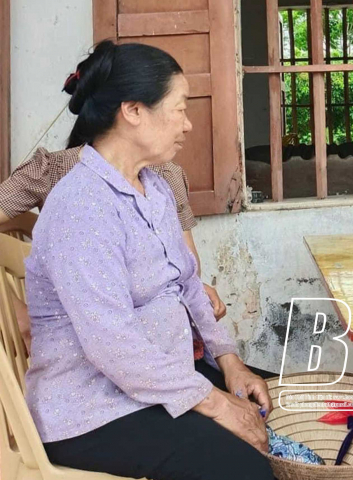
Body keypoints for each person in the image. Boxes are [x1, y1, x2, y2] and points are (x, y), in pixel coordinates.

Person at [24, 41, 275, 480]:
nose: (188, 124)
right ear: (133, 111)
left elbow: (188, 283)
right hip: (94, 408)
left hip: (157, 380)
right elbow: (112, 343)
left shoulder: (153, 187)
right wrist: (216, 404)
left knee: (276, 405)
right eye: (180, 109)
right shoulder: (81, 206)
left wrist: (230, 361)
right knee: (244, 467)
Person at [0, 145, 226, 353]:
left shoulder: (164, 175)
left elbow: (186, 267)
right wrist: (15, 312)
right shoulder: (53, 171)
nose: (185, 126)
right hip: (85, 348)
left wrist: (194, 293)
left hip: (163, 343)